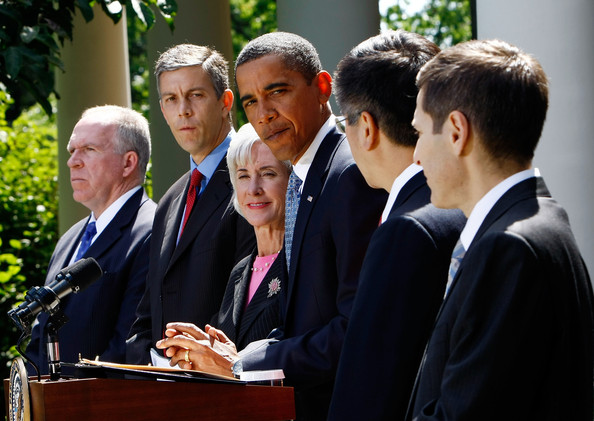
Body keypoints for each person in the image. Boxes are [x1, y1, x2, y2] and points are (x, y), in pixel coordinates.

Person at [156, 32, 387, 420]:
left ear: (322, 88)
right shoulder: (307, 177)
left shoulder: (348, 173)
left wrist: (244, 362)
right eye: (250, 101)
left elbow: (358, 328)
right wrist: (236, 354)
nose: (263, 114)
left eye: (277, 91)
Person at [407, 39, 594, 420]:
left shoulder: (508, 247)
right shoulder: (541, 220)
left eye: (420, 133)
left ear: (456, 131)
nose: (416, 155)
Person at [327, 30, 466, 421]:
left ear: (366, 128)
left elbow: (369, 389)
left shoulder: (406, 231)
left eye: (343, 122)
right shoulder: (460, 207)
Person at [126, 44, 255, 364]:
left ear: (226, 102)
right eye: (171, 99)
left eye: (195, 95)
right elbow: (149, 310)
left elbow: (249, 297)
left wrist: (191, 359)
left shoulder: (254, 181)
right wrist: (148, 362)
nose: (183, 110)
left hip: (223, 377)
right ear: (162, 109)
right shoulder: (170, 200)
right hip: (165, 382)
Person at [26, 105, 156, 374]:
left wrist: (68, 396)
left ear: (128, 163)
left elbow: (128, 349)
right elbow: (40, 336)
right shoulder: (69, 239)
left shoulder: (152, 231)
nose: (73, 161)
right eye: (72, 150)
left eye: (89, 149)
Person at [211, 123, 290, 350]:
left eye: (267, 173)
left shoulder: (299, 263)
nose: (253, 189)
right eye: (243, 176)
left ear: (292, 180)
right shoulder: (239, 272)